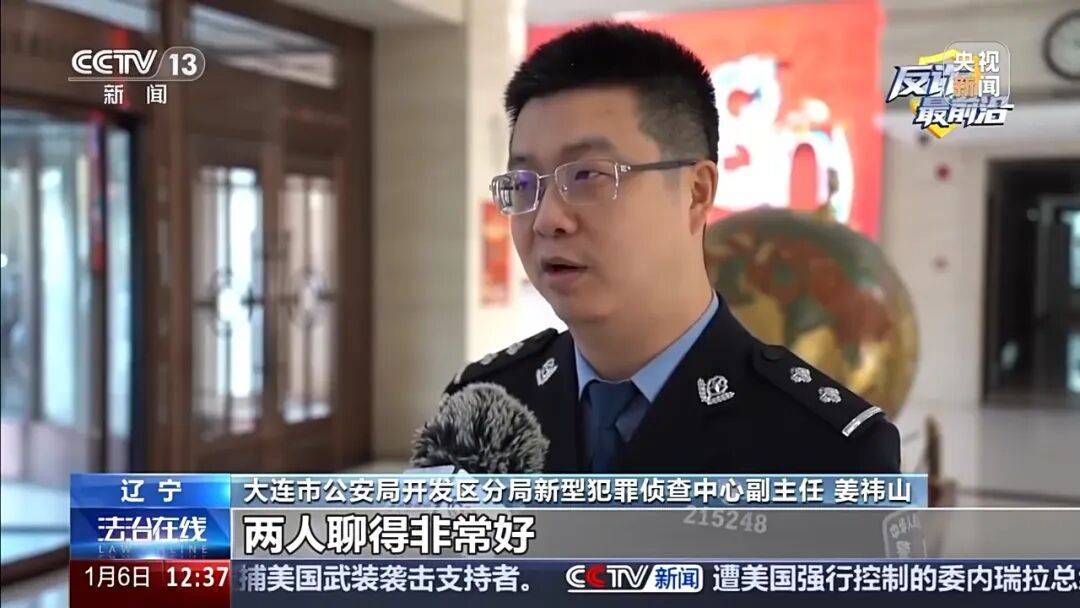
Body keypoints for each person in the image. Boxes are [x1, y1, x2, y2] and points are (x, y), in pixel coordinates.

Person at [442, 22, 900, 474]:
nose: (546, 220)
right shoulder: (479, 413)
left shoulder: (828, 450)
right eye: (524, 183)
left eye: (587, 175)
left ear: (696, 192)